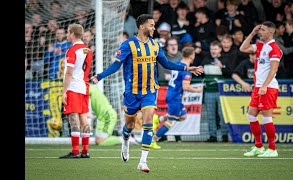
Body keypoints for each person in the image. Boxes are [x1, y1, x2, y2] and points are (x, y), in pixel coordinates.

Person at [91, 14, 203, 172]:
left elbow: (167, 63)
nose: (154, 28)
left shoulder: (155, 45)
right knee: (129, 125)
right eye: (151, 25)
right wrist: (99, 76)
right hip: (132, 92)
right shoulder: (127, 45)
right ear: (142, 26)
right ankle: (125, 141)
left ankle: (143, 161)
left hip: (150, 91)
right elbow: (116, 66)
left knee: (148, 120)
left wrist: (186, 67)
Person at [239, 21, 283, 157]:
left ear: (271, 32)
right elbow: (243, 48)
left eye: (263, 30)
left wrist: (264, 85)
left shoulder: (274, 48)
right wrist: (252, 33)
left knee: (266, 118)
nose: (260, 32)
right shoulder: (260, 45)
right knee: (251, 115)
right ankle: (258, 146)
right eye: (260, 30)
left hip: (268, 87)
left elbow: (274, 69)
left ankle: (272, 149)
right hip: (258, 87)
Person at [152, 47, 203, 143]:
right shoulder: (186, 70)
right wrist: (198, 90)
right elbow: (186, 87)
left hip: (172, 94)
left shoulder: (178, 64)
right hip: (175, 97)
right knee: (170, 122)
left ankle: (158, 119)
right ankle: (153, 140)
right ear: (191, 55)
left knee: (183, 116)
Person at [59, 24, 93, 159]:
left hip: (73, 87)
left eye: (68, 32)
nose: (67, 35)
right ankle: (85, 151)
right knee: (84, 118)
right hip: (84, 87)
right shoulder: (88, 50)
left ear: (73, 34)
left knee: (73, 118)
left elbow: (69, 73)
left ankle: (75, 151)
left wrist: (64, 91)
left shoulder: (72, 50)